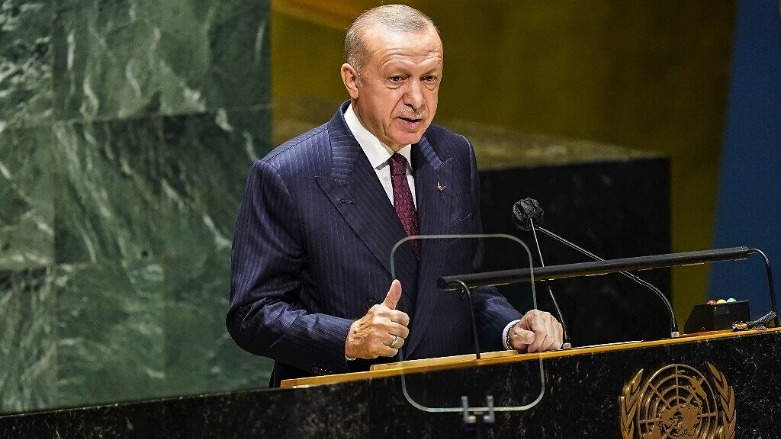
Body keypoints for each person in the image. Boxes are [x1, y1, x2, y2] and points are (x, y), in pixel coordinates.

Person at [227, 4, 563, 387]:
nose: (417, 99)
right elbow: (252, 315)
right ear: (352, 80)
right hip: (344, 408)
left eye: (430, 78)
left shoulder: (453, 155)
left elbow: (464, 285)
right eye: (397, 78)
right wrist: (350, 338)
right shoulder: (287, 174)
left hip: (443, 407)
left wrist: (511, 328)